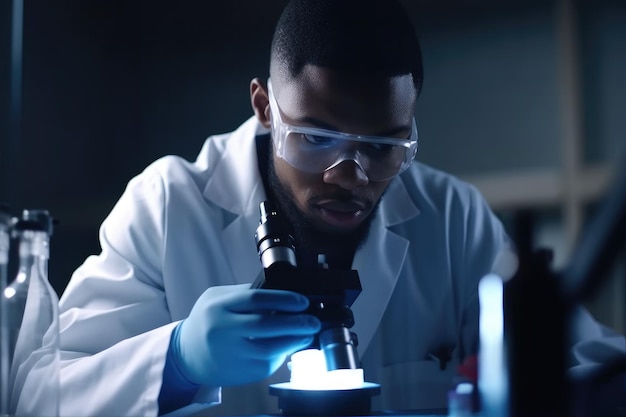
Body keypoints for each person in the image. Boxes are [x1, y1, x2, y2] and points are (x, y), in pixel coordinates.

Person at [57, 0, 625, 416]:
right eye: (317, 138)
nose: (349, 176)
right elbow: (44, 394)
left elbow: (591, 366)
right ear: (265, 107)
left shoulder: (452, 219)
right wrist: (178, 362)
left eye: (383, 148)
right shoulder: (168, 207)